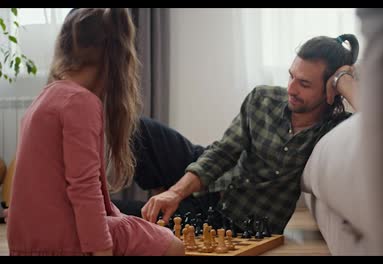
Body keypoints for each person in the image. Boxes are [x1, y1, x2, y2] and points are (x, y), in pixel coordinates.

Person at [121, 34, 360, 235]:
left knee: (114, 214)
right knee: (136, 127)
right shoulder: (263, 98)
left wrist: (344, 81)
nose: (291, 89)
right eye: (291, 76)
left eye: (304, 84)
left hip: (226, 220)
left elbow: (381, 126)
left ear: (329, 90)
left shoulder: (334, 129)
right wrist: (175, 192)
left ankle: (163, 206)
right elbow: (223, 152)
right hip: (212, 173)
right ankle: (164, 195)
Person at [6, 8, 184, 256]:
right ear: (119, 55)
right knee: (173, 244)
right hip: (66, 241)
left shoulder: (44, 98)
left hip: (27, 243)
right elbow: (84, 188)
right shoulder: (81, 102)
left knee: (129, 222)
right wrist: (101, 250)